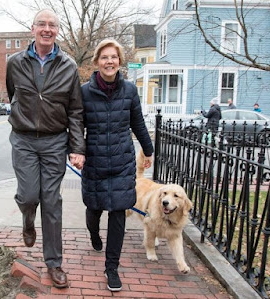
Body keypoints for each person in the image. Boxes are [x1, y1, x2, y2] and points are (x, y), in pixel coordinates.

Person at [5, 9, 85, 289]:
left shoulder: (69, 66)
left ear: (57, 31)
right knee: (28, 196)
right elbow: (12, 93)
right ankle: (28, 220)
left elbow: (75, 110)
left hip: (54, 141)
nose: (47, 29)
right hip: (24, 140)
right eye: (42, 24)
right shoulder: (14, 62)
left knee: (52, 202)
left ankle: (54, 263)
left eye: (52, 25)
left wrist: (78, 147)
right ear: (33, 29)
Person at [81, 39, 154, 292]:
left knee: (118, 213)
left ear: (119, 61)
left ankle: (111, 268)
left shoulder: (130, 91)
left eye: (113, 57)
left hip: (122, 161)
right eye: (104, 57)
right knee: (93, 209)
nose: (109, 61)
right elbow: (77, 126)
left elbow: (138, 123)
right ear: (97, 62)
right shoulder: (84, 92)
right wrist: (75, 151)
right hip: (95, 162)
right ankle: (93, 233)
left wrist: (148, 149)